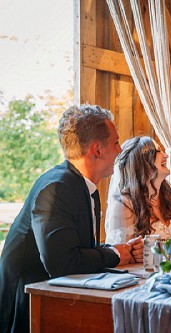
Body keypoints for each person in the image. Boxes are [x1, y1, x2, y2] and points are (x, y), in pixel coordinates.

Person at [0, 104, 143, 333]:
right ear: (97, 149)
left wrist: (119, 248)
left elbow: (79, 247)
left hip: (58, 299)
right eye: (116, 143)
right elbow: (62, 263)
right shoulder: (56, 188)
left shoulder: (82, 186)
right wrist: (115, 255)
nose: (119, 151)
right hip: (29, 310)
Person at [105, 136, 171, 244]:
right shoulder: (125, 204)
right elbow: (122, 254)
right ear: (143, 162)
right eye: (158, 151)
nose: (165, 155)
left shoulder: (170, 196)